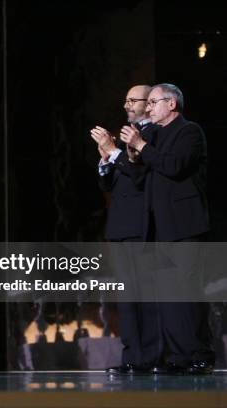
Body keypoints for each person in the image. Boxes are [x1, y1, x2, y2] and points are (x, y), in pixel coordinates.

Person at [120, 83, 214, 374]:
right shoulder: (155, 135)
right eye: (146, 103)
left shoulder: (189, 131)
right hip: (158, 228)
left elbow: (174, 165)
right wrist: (131, 155)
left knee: (187, 294)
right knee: (168, 299)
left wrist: (142, 147)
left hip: (184, 226)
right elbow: (140, 176)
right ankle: (178, 356)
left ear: (171, 104)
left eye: (153, 102)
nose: (148, 108)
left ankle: (199, 354)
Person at [90, 85, 161, 374]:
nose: (127, 105)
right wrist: (106, 159)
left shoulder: (155, 134)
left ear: (150, 103)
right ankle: (132, 357)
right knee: (128, 298)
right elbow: (112, 183)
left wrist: (114, 152)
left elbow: (141, 175)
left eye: (134, 100)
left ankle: (153, 357)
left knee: (146, 296)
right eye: (126, 100)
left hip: (142, 225)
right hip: (119, 225)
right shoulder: (127, 134)